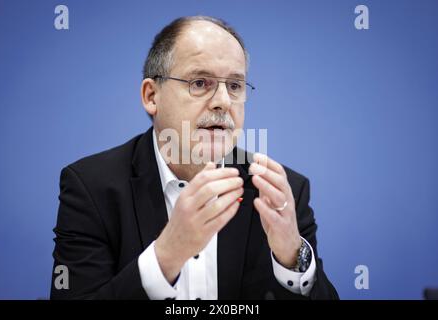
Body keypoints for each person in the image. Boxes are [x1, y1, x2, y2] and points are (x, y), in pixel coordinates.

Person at [50, 15, 338, 300]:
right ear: (152, 96)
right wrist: (165, 257)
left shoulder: (282, 191)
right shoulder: (91, 188)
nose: (224, 101)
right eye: (200, 82)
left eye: (235, 86)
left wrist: (292, 257)